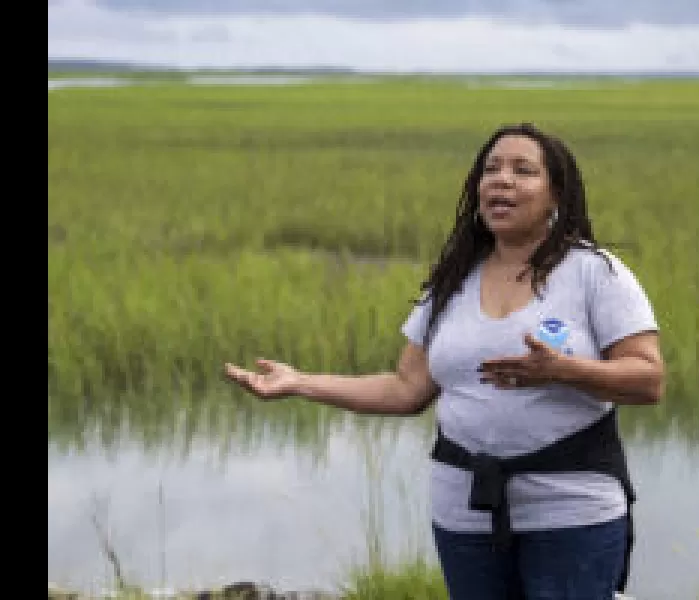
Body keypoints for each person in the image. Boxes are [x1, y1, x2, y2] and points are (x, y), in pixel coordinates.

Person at [224, 122, 665, 600]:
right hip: (465, 510)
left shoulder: (594, 273)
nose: (502, 180)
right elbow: (405, 389)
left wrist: (564, 370)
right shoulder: (453, 279)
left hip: (571, 509)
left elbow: (648, 379)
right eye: (491, 170)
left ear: (556, 195)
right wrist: (300, 383)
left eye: (523, 171)